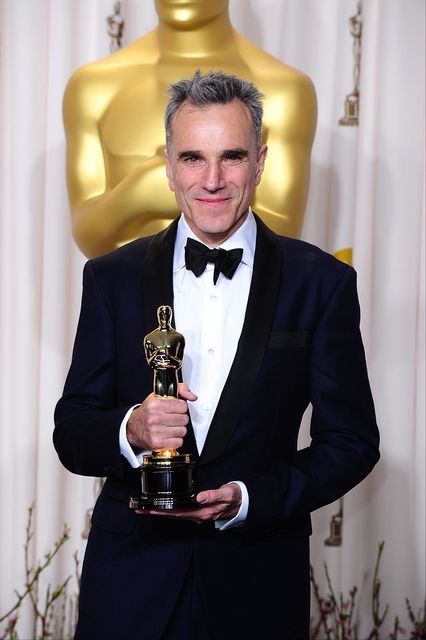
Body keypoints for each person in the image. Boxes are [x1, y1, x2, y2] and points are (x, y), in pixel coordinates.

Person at [54, 71, 380, 639]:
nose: (212, 179)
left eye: (231, 157)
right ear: (168, 166)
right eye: (192, 158)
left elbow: (351, 443)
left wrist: (250, 498)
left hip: (256, 585)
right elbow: (72, 431)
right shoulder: (111, 277)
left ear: (261, 163)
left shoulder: (321, 283)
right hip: (130, 584)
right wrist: (130, 429)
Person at [62, 0, 317, 258]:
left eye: (232, 156)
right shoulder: (93, 87)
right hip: (125, 294)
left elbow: (285, 234)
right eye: (192, 158)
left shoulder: (286, 90)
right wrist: (139, 192)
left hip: (252, 292)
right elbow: (87, 234)